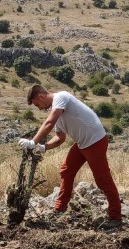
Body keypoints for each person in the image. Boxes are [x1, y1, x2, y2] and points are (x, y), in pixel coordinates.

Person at [20, 84, 123, 230]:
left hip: (95, 141)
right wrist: (44, 147)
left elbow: (49, 123)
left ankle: (115, 218)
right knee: (66, 171)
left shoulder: (61, 97)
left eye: (37, 104)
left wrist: (33, 142)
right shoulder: (58, 112)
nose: (39, 108)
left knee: (103, 180)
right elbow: (60, 138)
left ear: (42, 97)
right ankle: (60, 209)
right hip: (82, 143)